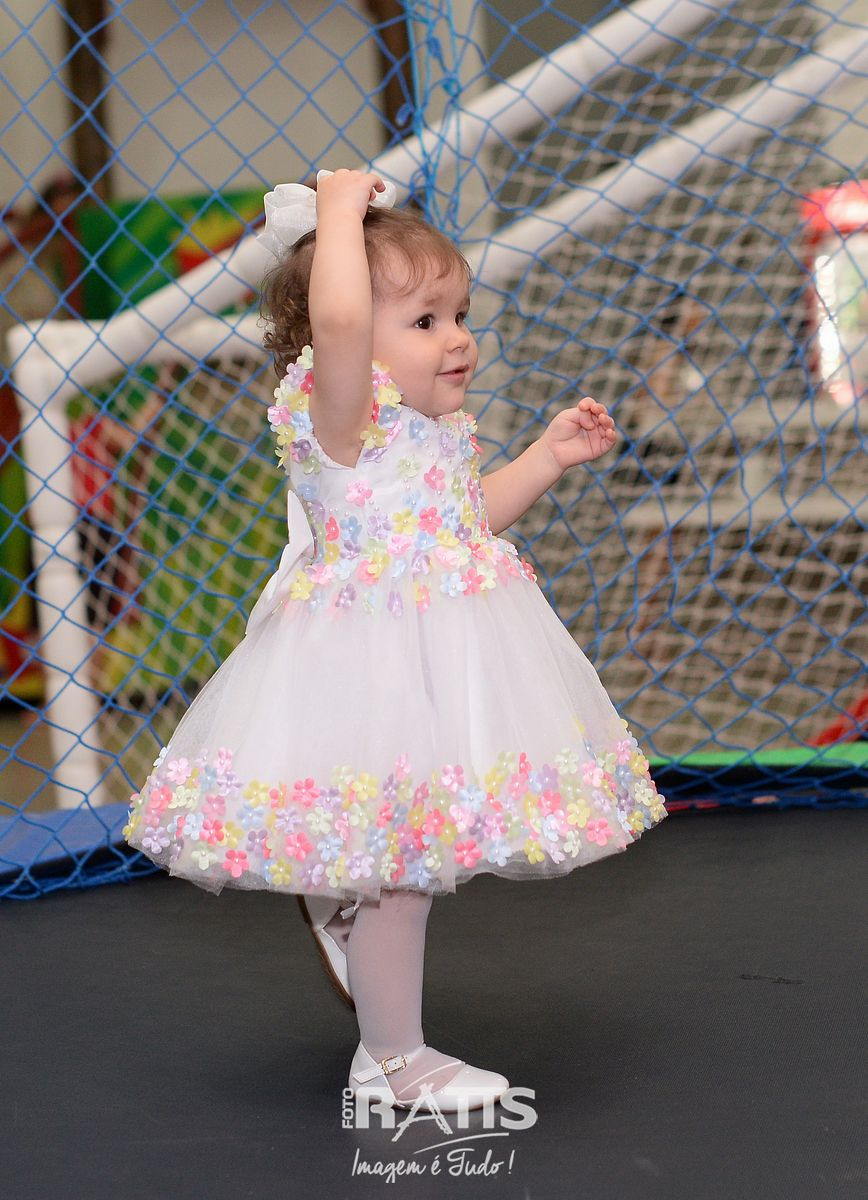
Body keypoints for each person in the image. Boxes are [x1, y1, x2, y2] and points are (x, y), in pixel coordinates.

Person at [124, 168, 668, 1112]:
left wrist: (546, 458)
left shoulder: (430, 429)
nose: (457, 338)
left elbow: (461, 522)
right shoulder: (342, 418)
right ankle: (389, 1062)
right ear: (342, 340)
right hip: (368, 670)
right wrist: (339, 212)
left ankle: (347, 912)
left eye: (459, 315)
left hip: (440, 661)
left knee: (405, 855)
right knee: (404, 867)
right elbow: (340, 322)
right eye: (423, 321)